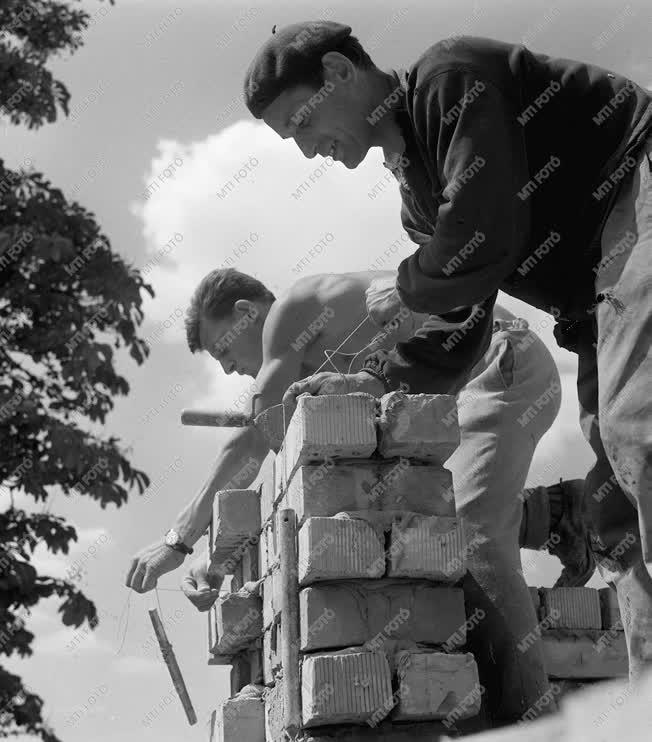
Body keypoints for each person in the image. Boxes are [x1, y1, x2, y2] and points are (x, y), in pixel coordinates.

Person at [243, 22, 652, 695]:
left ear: (341, 73)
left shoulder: (448, 77)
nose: (310, 149)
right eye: (293, 141)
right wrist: (374, 378)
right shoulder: (417, 201)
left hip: (637, 198)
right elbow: (459, 327)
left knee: (639, 432)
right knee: (614, 511)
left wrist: (407, 287)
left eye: (303, 120)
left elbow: (486, 227)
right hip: (593, 302)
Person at [127, 266, 582, 723]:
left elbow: (257, 432)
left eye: (223, 348)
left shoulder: (291, 313)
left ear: (246, 313)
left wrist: (179, 542)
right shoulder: (312, 355)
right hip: (458, 384)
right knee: (420, 518)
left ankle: (528, 723)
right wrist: (225, 551)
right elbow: (284, 449)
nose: (227, 368)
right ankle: (560, 514)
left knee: (474, 537)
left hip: (498, 360)